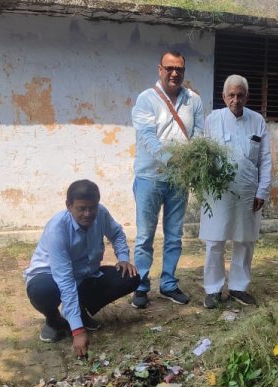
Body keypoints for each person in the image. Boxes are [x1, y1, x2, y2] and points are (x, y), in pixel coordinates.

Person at [23, 179, 139, 358]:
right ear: (69, 206)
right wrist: (78, 332)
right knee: (41, 290)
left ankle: (80, 311)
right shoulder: (57, 229)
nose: (88, 213)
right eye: (81, 208)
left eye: (92, 207)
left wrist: (123, 257)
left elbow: (116, 233)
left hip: (85, 275)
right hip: (51, 276)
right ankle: (54, 320)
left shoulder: (101, 213)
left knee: (130, 276)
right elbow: (64, 278)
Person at [130, 50, 205, 308]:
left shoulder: (193, 100)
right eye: (169, 68)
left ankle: (169, 284)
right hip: (149, 177)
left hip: (179, 180)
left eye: (179, 69)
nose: (174, 73)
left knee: (174, 235)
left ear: (184, 72)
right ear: (159, 69)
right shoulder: (146, 99)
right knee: (145, 236)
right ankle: (140, 284)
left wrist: (189, 164)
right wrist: (170, 159)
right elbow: (147, 137)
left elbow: (198, 134)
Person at [199, 75, 272, 309]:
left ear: (247, 97)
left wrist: (263, 190)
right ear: (223, 96)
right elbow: (203, 156)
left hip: (248, 190)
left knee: (244, 241)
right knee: (215, 240)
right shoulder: (212, 120)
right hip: (218, 192)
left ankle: (239, 287)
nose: (236, 100)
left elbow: (266, 159)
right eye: (231, 95)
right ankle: (212, 289)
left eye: (240, 95)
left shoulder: (257, 120)